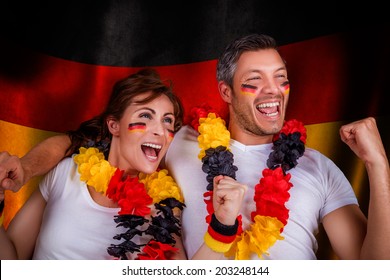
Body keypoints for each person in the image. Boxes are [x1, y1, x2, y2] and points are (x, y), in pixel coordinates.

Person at [1, 34, 390, 260]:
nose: (273, 90)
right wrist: (26, 165)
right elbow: (82, 142)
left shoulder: (317, 166)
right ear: (226, 91)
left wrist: (379, 168)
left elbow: (373, 268)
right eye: (256, 79)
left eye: (281, 79)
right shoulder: (181, 142)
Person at [0, 68, 247, 260]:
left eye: (167, 121)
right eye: (145, 116)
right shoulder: (66, 172)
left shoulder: (162, 208)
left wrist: (222, 226)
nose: (160, 131)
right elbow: (10, 259)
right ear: (114, 125)